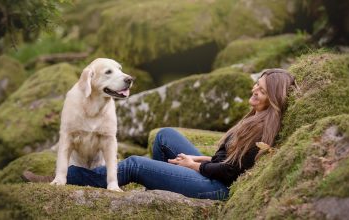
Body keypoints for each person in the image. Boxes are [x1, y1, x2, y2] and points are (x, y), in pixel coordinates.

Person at [22, 68, 298, 200]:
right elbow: (225, 158)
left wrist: (195, 167)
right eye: (255, 86)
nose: (253, 92)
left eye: (260, 90)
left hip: (218, 188)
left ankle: (64, 178)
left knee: (133, 164)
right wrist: (200, 159)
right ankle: (158, 187)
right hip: (214, 172)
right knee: (165, 135)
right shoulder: (254, 117)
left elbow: (230, 172)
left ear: (272, 96)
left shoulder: (264, 126)